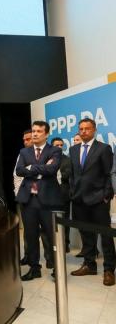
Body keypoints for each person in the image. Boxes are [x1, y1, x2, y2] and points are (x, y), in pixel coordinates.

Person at [69, 118, 115, 286]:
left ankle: (109, 269)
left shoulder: (103, 148)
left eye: (87, 129)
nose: (83, 131)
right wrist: (72, 193)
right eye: (81, 128)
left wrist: (106, 195)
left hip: (98, 200)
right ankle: (89, 265)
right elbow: (74, 175)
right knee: (86, 235)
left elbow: (109, 174)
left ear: (94, 130)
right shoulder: (73, 150)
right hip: (79, 200)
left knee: (106, 236)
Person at [16, 121, 62, 281]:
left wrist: (31, 168)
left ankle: (57, 268)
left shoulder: (55, 150)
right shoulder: (24, 151)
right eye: (34, 131)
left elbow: (52, 169)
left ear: (46, 134)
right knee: (30, 236)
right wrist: (41, 167)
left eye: (39, 131)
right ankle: (34, 268)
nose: (35, 134)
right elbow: (19, 171)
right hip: (29, 200)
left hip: (48, 200)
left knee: (52, 236)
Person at [51, 137, 71, 252]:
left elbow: (66, 175)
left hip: (63, 195)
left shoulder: (67, 160)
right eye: (57, 145)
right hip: (49, 195)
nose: (59, 147)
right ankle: (54, 243)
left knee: (65, 221)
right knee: (51, 221)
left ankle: (66, 244)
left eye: (61, 145)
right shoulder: (47, 159)